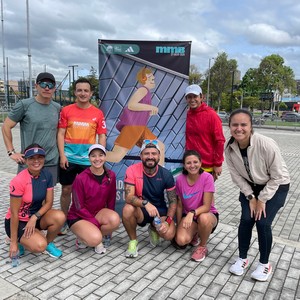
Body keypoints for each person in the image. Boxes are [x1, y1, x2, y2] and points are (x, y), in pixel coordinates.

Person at [225, 109, 290, 282]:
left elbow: (277, 176)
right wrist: (251, 197)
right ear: (230, 126)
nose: (239, 128)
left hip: (276, 185)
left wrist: (262, 199)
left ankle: (264, 264)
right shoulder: (230, 148)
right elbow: (236, 177)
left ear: (251, 126)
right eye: (235, 125)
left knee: (262, 223)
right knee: (246, 220)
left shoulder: (265, 143)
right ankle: (243, 258)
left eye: (243, 124)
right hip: (251, 187)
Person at [57, 77, 107, 233]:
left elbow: (102, 136)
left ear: (91, 93)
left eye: (86, 90)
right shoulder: (66, 110)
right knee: (66, 190)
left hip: (88, 160)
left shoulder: (97, 113)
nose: (83, 93)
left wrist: (99, 158)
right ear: (75, 92)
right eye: (79, 90)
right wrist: (62, 155)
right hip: (69, 159)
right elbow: (60, 134)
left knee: (90, 192)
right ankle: (64, 219)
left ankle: (87, 219)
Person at [4, 144, 65, 259]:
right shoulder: (19, 180)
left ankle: (48, 243)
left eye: (40, 157)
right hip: (19, 220)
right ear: (26, 160)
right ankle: (18, 241)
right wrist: (13, 243)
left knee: (60, 216)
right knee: (39, 246)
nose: (36, 161)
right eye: (32, 158)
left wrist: (34, 217)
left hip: (36, 217)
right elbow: (14, 213)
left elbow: (49, 203)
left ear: (44, 159)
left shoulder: (47, 175)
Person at [2, 72, 61, 184]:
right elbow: (6, 126)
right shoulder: (25, 105)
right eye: (43, 84)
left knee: (48, 198)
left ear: (54, 88)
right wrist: (11, 152)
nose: (47, 88)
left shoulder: (57, 108)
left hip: (51, 161)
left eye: (50, 85)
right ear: (36, 86)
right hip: (29, 160)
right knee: (26, 198)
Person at [122, 139, 177, 258]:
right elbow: (128, 197)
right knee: (127, 209)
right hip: (141, 209)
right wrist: (145, 203)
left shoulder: (166, 174)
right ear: (141, 156)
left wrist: (167, 222)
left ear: (159, 156)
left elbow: (173, 202)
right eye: (146, 153)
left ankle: (153, 227)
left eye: (153, 153)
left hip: (159, 211)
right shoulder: (132, 170)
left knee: (169, 235)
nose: (150, 156)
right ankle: (133, 241)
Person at [106, 67, 165, 166]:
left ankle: (161, 174)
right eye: (151, 78)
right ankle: (90, 156)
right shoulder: (143, 90)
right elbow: (131, 105)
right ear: (144, 79)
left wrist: (148, 111)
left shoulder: (146, 92)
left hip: (140, 128)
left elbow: (138, 109)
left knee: (160, 147)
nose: (153, 79)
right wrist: (151, 107)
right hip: (133, 127)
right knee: (116, 157)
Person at [67, 144, 120, 254]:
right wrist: (94, 222)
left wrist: (109, 226)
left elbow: (111, 199)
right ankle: (83, 238)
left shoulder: (111, 175)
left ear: (105, 157)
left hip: (97, 212)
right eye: (93, 156)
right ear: (89, 158)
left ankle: (90, 234)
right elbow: (78, 207)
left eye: (101, 155)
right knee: (95, 239)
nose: (97, 159)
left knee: (115, 220)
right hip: (78, 216)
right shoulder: (80, 178)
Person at [174, 150, 219, 262]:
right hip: (190, 217)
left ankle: (202, 246)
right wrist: (179, 225)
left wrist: (191, 213)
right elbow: (179, 205)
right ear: (184, 165)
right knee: (181, 240)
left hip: (207, 214)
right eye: (188, 163)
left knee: (204, 218)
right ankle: (195, 233)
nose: (192, 165)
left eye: (195, 162)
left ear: (200, 163)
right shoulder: (179, 179)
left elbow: (207, 206)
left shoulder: (207, 177)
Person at [185, 84, 225, 180]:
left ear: (202, 97)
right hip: (190, 164)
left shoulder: (211, 115)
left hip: (207, 165)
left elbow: (220, 140)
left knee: (206, 194)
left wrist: (218, 164)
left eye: (195, 96)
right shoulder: (186, 115)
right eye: (189, 97)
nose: (192, 99)